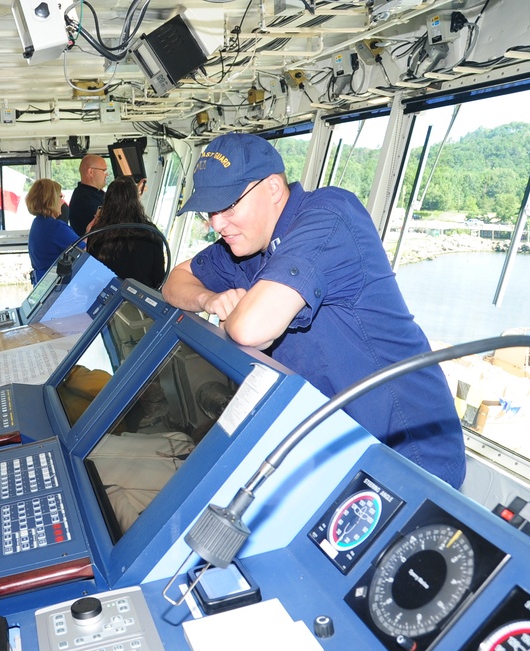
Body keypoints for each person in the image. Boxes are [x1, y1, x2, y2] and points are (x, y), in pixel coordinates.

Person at [162, 132, 465, 489]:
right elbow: (175, 281)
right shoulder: (242, 246)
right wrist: (207, 300)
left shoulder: (329, 216)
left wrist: (235, 311)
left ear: (273, 189)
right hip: (335, 445)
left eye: (229, 206)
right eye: (210, 212)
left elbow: (251, 329)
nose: (216, 224)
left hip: (407, 451)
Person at [86, 176, 166, 290]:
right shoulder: (150, 232)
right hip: (139, 300)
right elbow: (159, 278)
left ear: (107, 200)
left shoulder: (97, 232)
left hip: (105, 296)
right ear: (136, 201)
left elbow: (91, 273)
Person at [27, 179, 81, 284]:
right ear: (51, 200)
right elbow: (85, 250)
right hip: (56, 286)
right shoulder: (56, 228)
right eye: (60, 197)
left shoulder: (38, 223)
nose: (63, 201)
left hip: (41, 283)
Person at [68, 154, 108, 236]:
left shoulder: (95, 193)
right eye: (104, 170)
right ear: (91, 172)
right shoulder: (83, 200)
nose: (106, 174)